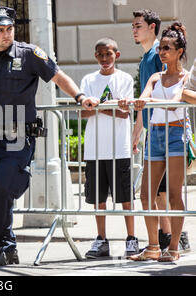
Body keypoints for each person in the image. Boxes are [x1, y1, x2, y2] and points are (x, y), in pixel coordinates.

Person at [0, 7, 100, 266]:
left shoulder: (29, 55)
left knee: (4, 188)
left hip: (18, 137)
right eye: (0, 31)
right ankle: (7, 249)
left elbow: (58, 76)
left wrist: (81, 97)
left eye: (9, 29)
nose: (6, 35)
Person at [120, 22, 190, 262]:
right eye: (161, 48)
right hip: (156, 135)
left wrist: (176, 96)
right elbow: (144, 95)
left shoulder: (186, 78)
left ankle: (173, 247)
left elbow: (183, 99)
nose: (162, 52)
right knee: (146, 195)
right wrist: (137, 101)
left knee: (173, 195)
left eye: (167, 48)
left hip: (176, 134)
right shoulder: (155, 76)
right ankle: (152, 246)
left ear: (179, 51)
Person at [80, 38, 138, 258]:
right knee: (98, 198)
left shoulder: (123, 79)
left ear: (117, 55)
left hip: (119, 148)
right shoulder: (88, 80)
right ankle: (101, 240)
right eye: (100, 55)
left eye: (109, 54)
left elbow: (124, 112)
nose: (105, 59)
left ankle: (131, 238)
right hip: (95, 149)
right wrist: (108, 106)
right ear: (96, 56)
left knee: (125, 196)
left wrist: (99, 105)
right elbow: (83, 112)